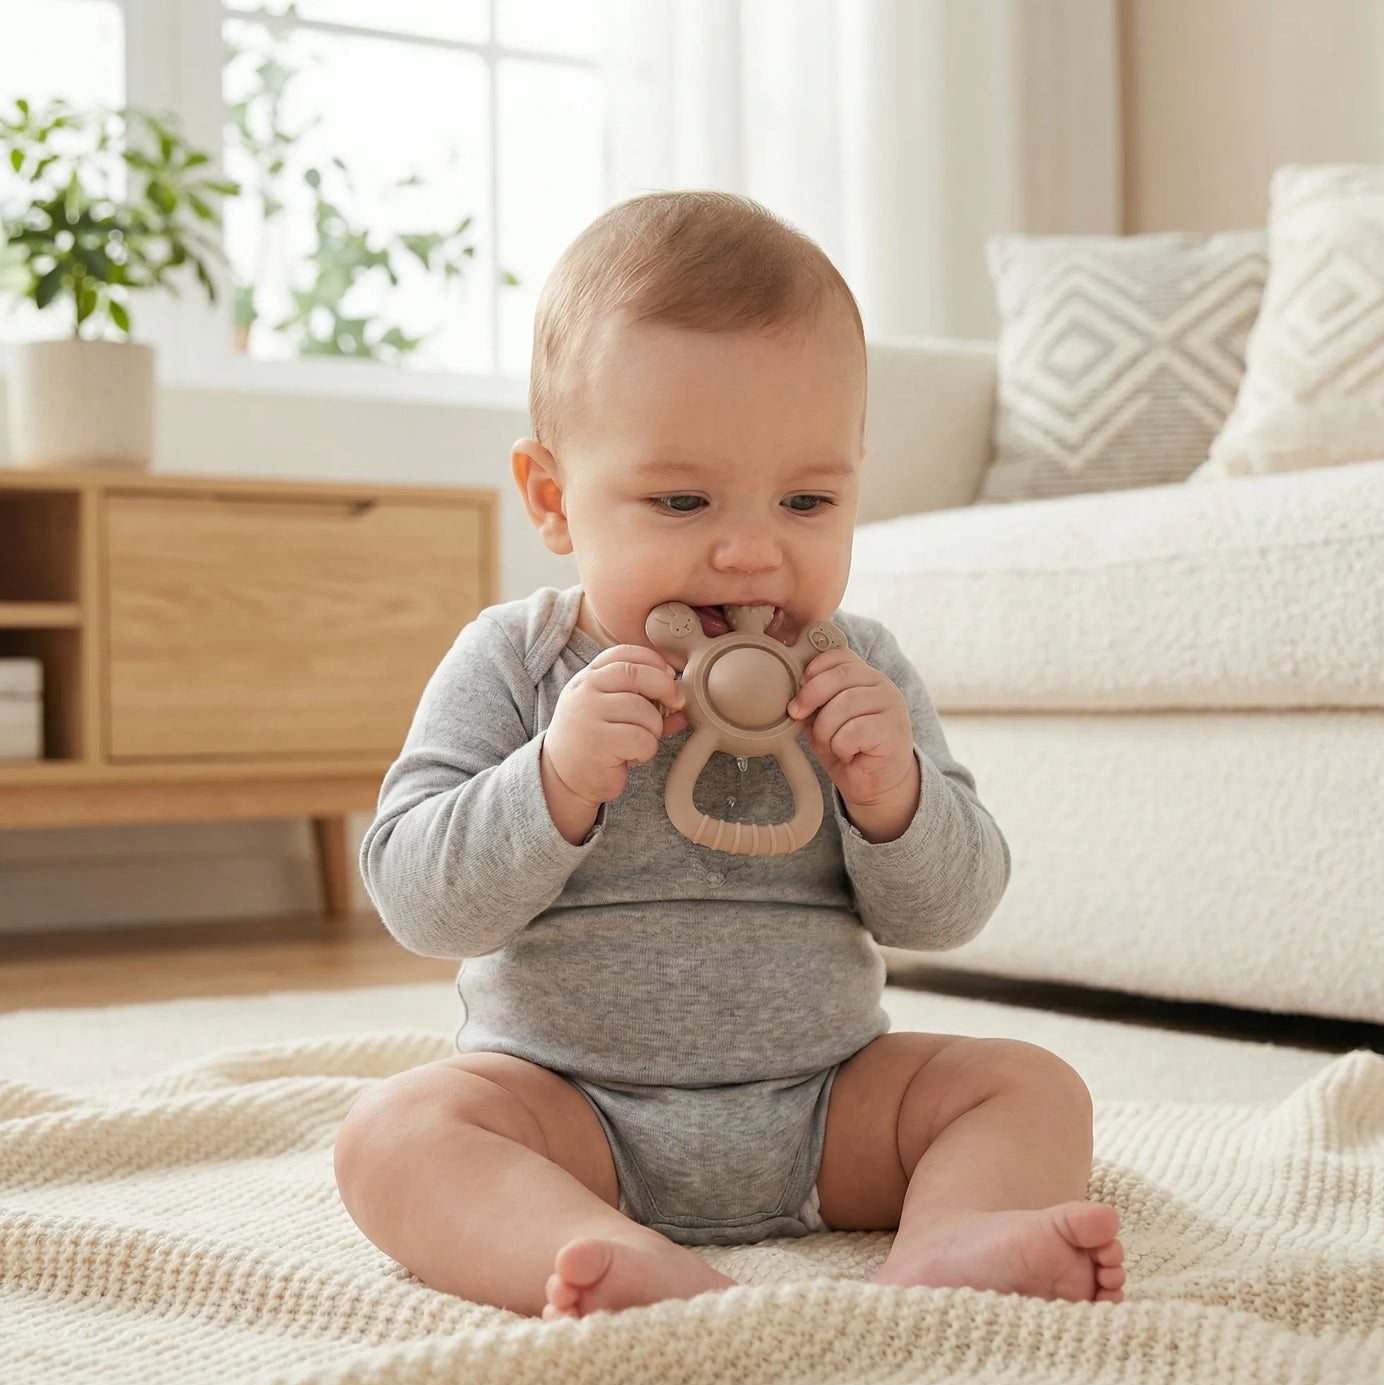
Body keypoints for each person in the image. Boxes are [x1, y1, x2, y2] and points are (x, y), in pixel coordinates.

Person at [334, 190, 1126, 1321]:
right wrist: (549, 784)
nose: (751, 550)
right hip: (572, 1116)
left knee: (1028, 1085)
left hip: (828, 1105)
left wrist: (892, 796)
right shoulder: (514, 661)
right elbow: (418, 900)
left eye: (807, 499)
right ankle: (590, 1247)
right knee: (394, 1134)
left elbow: (950, 911)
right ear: (553, 498)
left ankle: (947, 1241)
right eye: (681, 498)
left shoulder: (858, 669)